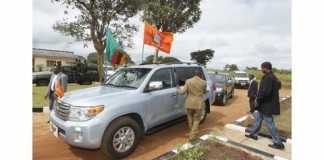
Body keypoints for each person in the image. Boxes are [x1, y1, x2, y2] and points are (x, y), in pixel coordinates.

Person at [245, 62, 284, 150]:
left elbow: (265, 92)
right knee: (258, 119)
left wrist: (257, 100)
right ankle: (253, 134)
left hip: (267, 105)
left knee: (269, 123)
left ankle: (278, 143)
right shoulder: (273, 77)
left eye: (262, 68)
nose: (261, 70)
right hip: (264, 105)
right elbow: (278, 85)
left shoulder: (269, 78)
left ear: (266, 68)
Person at [177, 70, 207, 141]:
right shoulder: (204, 82)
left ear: (194, 74)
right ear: (200, 75)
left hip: (189, 103)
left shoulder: (188, 81)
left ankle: (191, 132)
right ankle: (192, 136)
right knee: (196, 120)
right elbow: (204, 91)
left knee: (190, 118)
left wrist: (178, 88)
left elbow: (182, 92)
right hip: (198, 103)